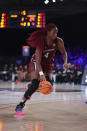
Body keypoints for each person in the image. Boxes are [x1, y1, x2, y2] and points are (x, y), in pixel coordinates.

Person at [15, 24, 69, 112]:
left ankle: (29, 81)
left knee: (49, 84)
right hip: (36, 62)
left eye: (57, 32)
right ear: (48, 32)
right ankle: (20, 104)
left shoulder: (59, 41)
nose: (56, 34)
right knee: (35, 84)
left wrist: (65, 62)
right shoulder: (41, 42)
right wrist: (41, 73)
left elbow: (64, 53)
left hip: (48, 64)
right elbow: (38, 61)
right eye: (54, 32)